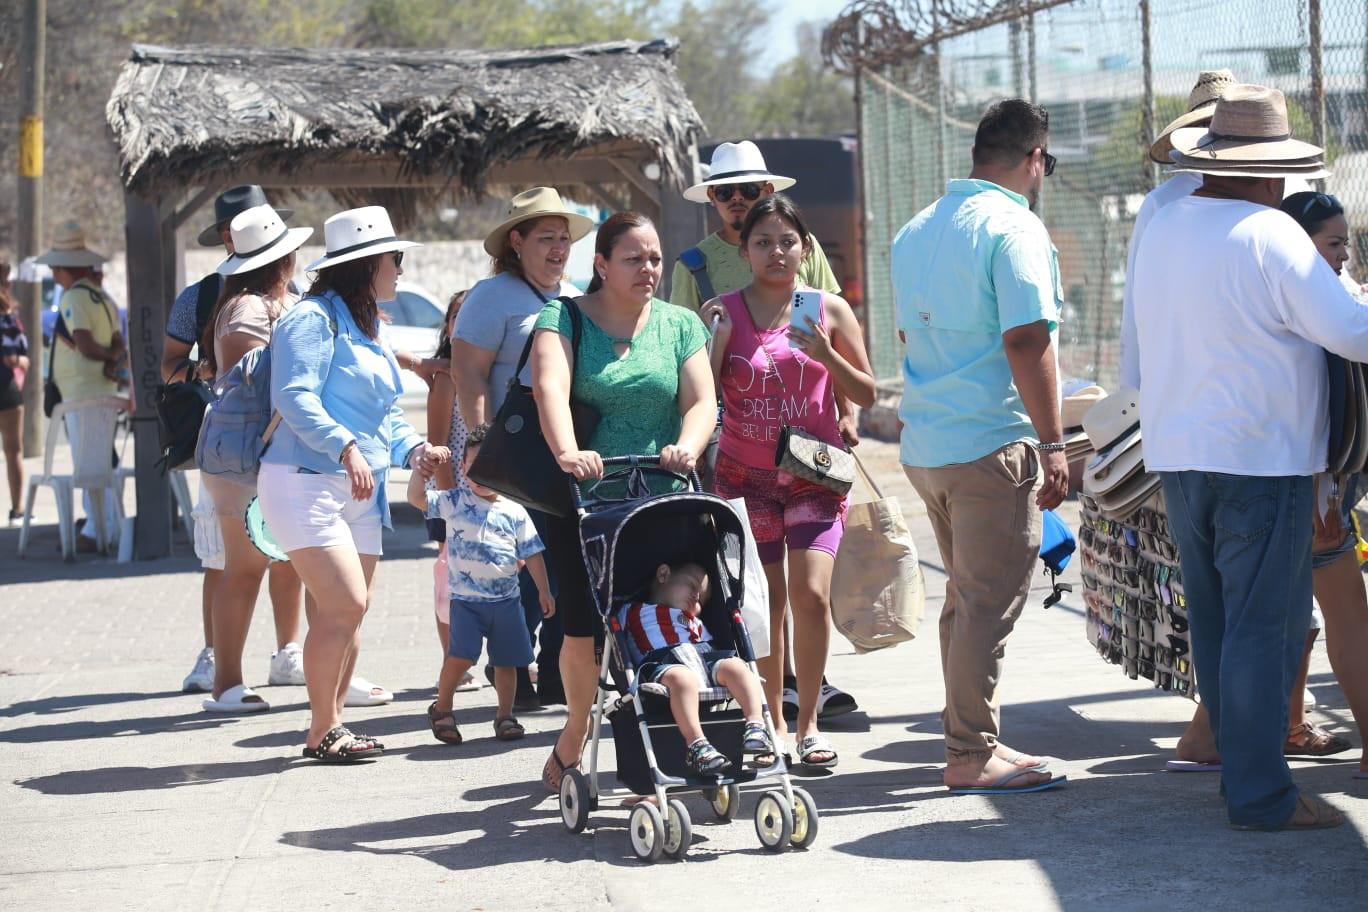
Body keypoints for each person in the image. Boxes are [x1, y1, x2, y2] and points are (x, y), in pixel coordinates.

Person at [1132, 85, 1368, 829]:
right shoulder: (1270, 235)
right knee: (1265, 629)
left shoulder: (1164, 222)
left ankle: (1243, 773)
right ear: (1270, 173)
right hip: (1260, 459)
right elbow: (1350, 334)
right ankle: (1262, 796)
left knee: (1218, 626)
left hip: (1178, 451)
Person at [891, 99, 1068, 795]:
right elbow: (1028, 339)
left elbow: (909, 336)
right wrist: (1053, 442)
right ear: (1033, 160)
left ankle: (973, 736)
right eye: (1045, 163)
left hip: (930, 441)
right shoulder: (1013, 227)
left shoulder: (917, 229)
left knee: (966, 601)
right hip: (989, 444)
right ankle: (968, 753)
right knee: (987, 604)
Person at [673, 139, 861, 721]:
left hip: (809, 453)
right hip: (739, 447)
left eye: (748, 191)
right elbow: (687, 350)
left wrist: (846, 409)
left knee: (808, 590)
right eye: (724, 192)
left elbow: (830, 318)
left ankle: (808, 694)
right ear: (712, 201)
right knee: (761, 595)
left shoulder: (797, 251)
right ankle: (769, 700)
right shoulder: (695, 268)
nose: (735, 201)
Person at [531, 211, 715, 791]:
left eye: (655, 257)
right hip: (586, 496)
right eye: (634, 258)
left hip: (663, 496)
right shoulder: (562, 318)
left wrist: (687, 446)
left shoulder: (680, 324)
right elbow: (550, 388)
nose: (649, 269)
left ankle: (691, 730)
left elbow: (701, 401)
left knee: (681, 614)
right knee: (585, 629)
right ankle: (577, 726)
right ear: (602, 265)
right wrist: (567, 451)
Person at [258, 205, 449, 762]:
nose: (401, 268)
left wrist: (414, 448)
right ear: (367, 264)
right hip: (304, 478)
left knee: (348, 611)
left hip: (358, 488)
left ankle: (332, 726)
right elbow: (294, 396)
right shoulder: (311, 319)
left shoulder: (364, 325)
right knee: (345, 603)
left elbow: (384, 412)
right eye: (396, 258)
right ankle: (322, 729)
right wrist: (343, 444)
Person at [699, 194, 875, 768]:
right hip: (744, 477)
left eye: (787, 241)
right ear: (745, 249)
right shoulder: (722, 311)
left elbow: (869, 393)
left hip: (813, 473)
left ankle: (809, 725)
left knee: (812, 594)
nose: (776, 252)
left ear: (804, 247)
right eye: (762, 242)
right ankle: (771, 720)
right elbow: (703, 390)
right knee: (766, 603)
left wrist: (826, 352)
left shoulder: (826, 308)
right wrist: (717, 343)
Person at [452, 187, 593, 709]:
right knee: (522, 565)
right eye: (546, 239)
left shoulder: (574, 294)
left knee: (562, 563)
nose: (559, 249)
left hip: (562, 447)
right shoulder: (491, 297)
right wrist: (481, 448)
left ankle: (557, 673)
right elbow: (467, 373)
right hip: (511, 449)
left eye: (564, 239)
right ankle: (512, 667)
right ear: (517, 242)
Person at [164, 184, 305, 695]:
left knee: (284, 553)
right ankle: (219, 660)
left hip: (254, 443)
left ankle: (286, 651)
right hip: (235, 440)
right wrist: (217, 372)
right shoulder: (202, 297)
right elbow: (169, 368)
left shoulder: (294, 295)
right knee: (223, 559)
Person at [196, 204, 313, 713]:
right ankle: (226, 684)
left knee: (248, 567)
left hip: (237, 451)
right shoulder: (251, 310)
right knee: (245, 569)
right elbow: (267, 383)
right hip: (249, 453)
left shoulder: (246, 303)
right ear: (282, 257)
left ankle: (229, 681)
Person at [411, 424, 554, 745]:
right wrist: (424, 471)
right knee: (461, 657)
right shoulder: (454, 501)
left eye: (491, 466)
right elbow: (416, 498)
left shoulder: (515, 511)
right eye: (475, 466)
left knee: (507, 662)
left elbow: (532, 553)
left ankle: (505, 715)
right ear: (462, 467)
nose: (482, 474)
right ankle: (443, 707)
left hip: (506, 601)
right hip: (466, 601)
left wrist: (543, 589)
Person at [617, 561, 775, 774]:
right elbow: (610, 631)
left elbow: (711, 649)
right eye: (692, 586)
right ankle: (697, 744)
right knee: (683, 679)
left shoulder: (695, 622)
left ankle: (756, 725)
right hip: (664, 663)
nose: (696, 598)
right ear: (663, 574)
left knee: (737, 666)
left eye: (702, 599)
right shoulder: (632, 611)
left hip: (704, 659)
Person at [35, 221, 126, 552]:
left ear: (65, 267)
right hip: (103, 392)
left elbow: (85, 345)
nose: (55, 273)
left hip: (79, 394)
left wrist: (102, 356)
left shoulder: (74, 297)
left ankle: (95, 530)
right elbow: (117, 341)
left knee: (88, 466)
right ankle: (107, 525)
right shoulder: (103, 297)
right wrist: (113, 357)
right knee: (104, 462)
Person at [424, 290, 478, 693]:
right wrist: (450, 506)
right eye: (457, 314)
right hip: (454, 494)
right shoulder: (445, 379)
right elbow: (439, 445)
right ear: (447, 326)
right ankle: (452, 660)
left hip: (488, 494)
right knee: (450, 581)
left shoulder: (485, 369)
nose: (464, 321)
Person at [0, 260, 29, 524]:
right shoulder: (9, 317)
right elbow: (21, 355)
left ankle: (18, 509)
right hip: (8, 386)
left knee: (13, 451)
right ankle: (17, 510)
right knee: (13, 451)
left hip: (8, 385)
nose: (8, 283)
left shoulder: (10, 316)